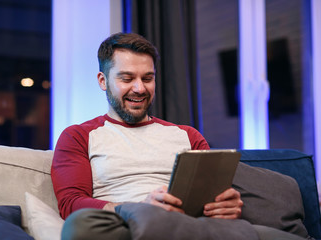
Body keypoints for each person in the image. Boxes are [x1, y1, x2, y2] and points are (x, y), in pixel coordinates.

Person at [51, 33, 307, 240]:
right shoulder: (78, 136)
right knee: (81, 227)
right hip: (128, 225)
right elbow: (71, 203)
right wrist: (139, 206)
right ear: (103, 81)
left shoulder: (187, 135)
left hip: (193, 223)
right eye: (127, 78)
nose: (139, 88)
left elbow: (215, 194)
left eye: (147, 78)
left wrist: (229, 204)